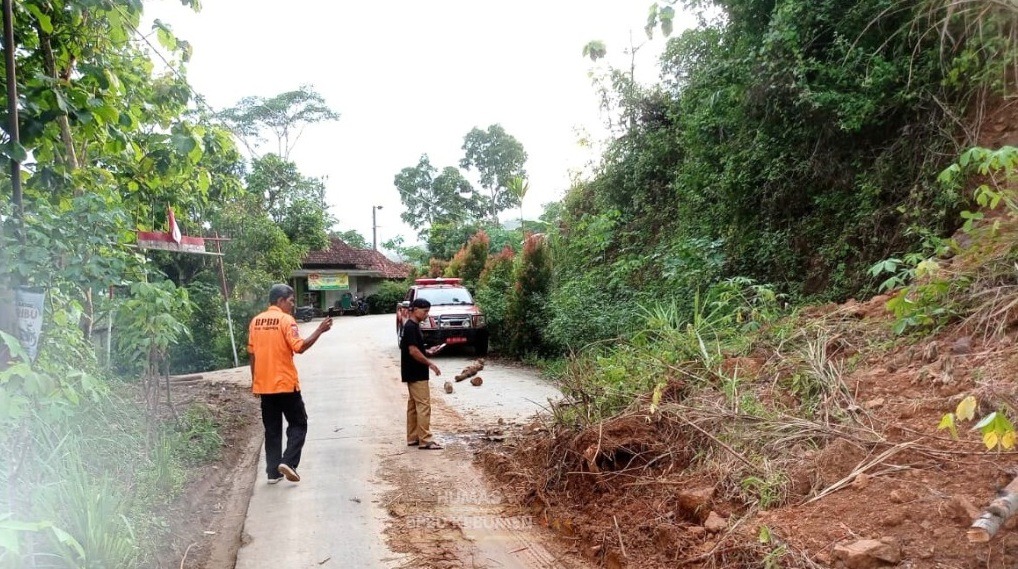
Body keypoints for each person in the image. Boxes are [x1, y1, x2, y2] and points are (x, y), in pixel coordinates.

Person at [248, 283, 332, 484]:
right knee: (298, 423)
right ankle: (289, 462)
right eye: (291, 301)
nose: (293, 305)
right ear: (280, 301)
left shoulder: (256, 321)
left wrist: (255, 381)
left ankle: (273, 473)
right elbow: (299, 347)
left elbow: (251, 354)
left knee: (272, 429)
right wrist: (319, 330)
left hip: (265, 385)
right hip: (285, 383)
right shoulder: (286, 320)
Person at [400, 298, 444, 450]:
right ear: (415, 309)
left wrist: (428, 352)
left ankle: (413, 437)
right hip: (416, 371)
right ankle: (425, 439)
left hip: (410, 371)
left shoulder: (411, 326)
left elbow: (415, 348)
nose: (426, 315)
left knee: (413, 405)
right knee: (424, 405)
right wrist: (430, 363)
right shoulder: (411, 327)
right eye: (425, 311)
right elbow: (412, 351)